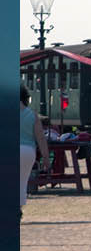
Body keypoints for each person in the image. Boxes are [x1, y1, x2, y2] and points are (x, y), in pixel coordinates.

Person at [20, 83, 50, 216]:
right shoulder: (32, 115)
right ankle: (18, 209)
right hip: (27, 152)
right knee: (22, 181)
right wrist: (45, 157)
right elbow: (41, 139)